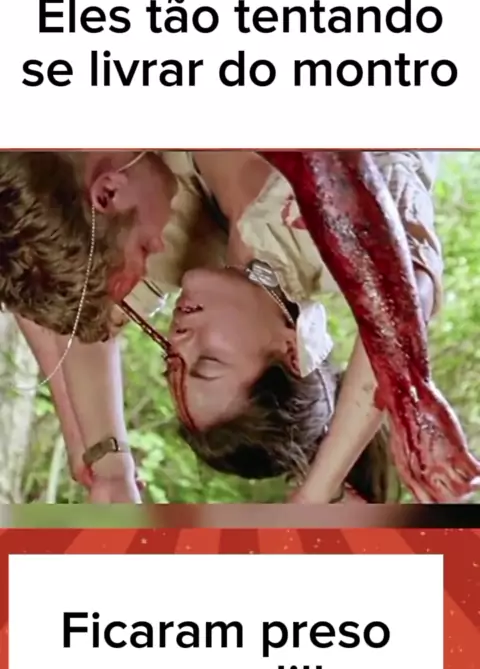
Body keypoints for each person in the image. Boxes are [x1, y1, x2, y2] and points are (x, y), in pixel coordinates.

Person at [0, 150, 442, 503]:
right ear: (292, 350)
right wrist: (317, 491)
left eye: (172, 361)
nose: (179, 340)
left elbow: (63, 300)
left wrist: (106, 461)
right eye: (208, 362)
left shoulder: (169, 238)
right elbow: (404, 301)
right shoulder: (322, 241)